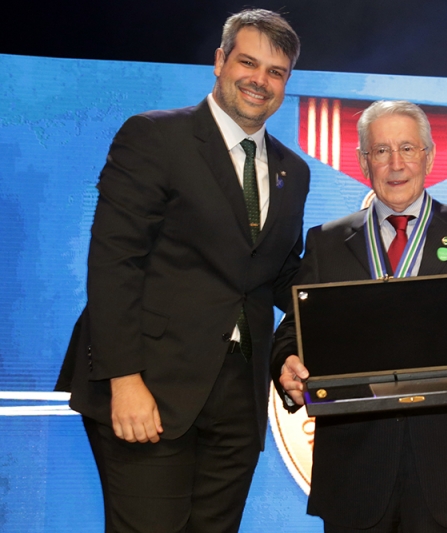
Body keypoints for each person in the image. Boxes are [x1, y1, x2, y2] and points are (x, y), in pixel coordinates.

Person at [58, 9, 309, 532]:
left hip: (238, 403)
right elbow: (113, 261)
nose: (260, 80)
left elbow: (279, 274)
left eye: (276, 71)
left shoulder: (293, 170)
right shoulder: (154, 136)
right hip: (149, 389)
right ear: (219, 62)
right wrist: (123, 380)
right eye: (248, 62)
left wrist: (367, 308)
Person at [272, 100, 447, 533]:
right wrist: (286, 364)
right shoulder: (328, 242)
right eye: (381, 151)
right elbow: (294, 332)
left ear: (428, 156)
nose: (396, 164)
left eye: (408, 149)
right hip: (354, 477)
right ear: (362, 161)